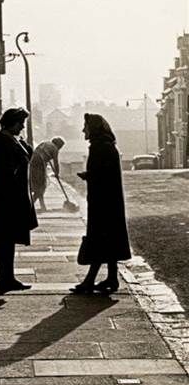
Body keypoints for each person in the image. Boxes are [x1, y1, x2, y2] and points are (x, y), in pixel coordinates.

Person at [71, 113, 131, 295]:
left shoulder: (99, 147)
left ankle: (89, 281)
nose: (83, 130)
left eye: (86, 127)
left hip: (102, 202)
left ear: (94, 128)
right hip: (109, 201)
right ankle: (112, 278)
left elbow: (100, 175)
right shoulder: (107, 146)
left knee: (98, 238)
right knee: (109, 238)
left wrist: (88, 176)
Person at [0, 107, 38, 292]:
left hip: (10, 197)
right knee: (5, 240)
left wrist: (22, 144)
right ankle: (5, 279)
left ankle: (7, 277)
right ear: (12, 123)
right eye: (21, 123)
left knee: (7, 240)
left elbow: (27, 154)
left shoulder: (10, 140)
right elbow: (8, 170)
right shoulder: (3, 141)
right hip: (7, 198)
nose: (23, 127)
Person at [30, 137, 65, 211]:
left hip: (33, 162)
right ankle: (31, 205)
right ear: (59, 145)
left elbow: (38, 152)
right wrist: (57, 173)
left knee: (39, 185)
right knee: (41, 186)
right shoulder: (55, 148)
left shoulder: (45, 143)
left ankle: (42, 206)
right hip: (39, 162)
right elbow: (56, 163)